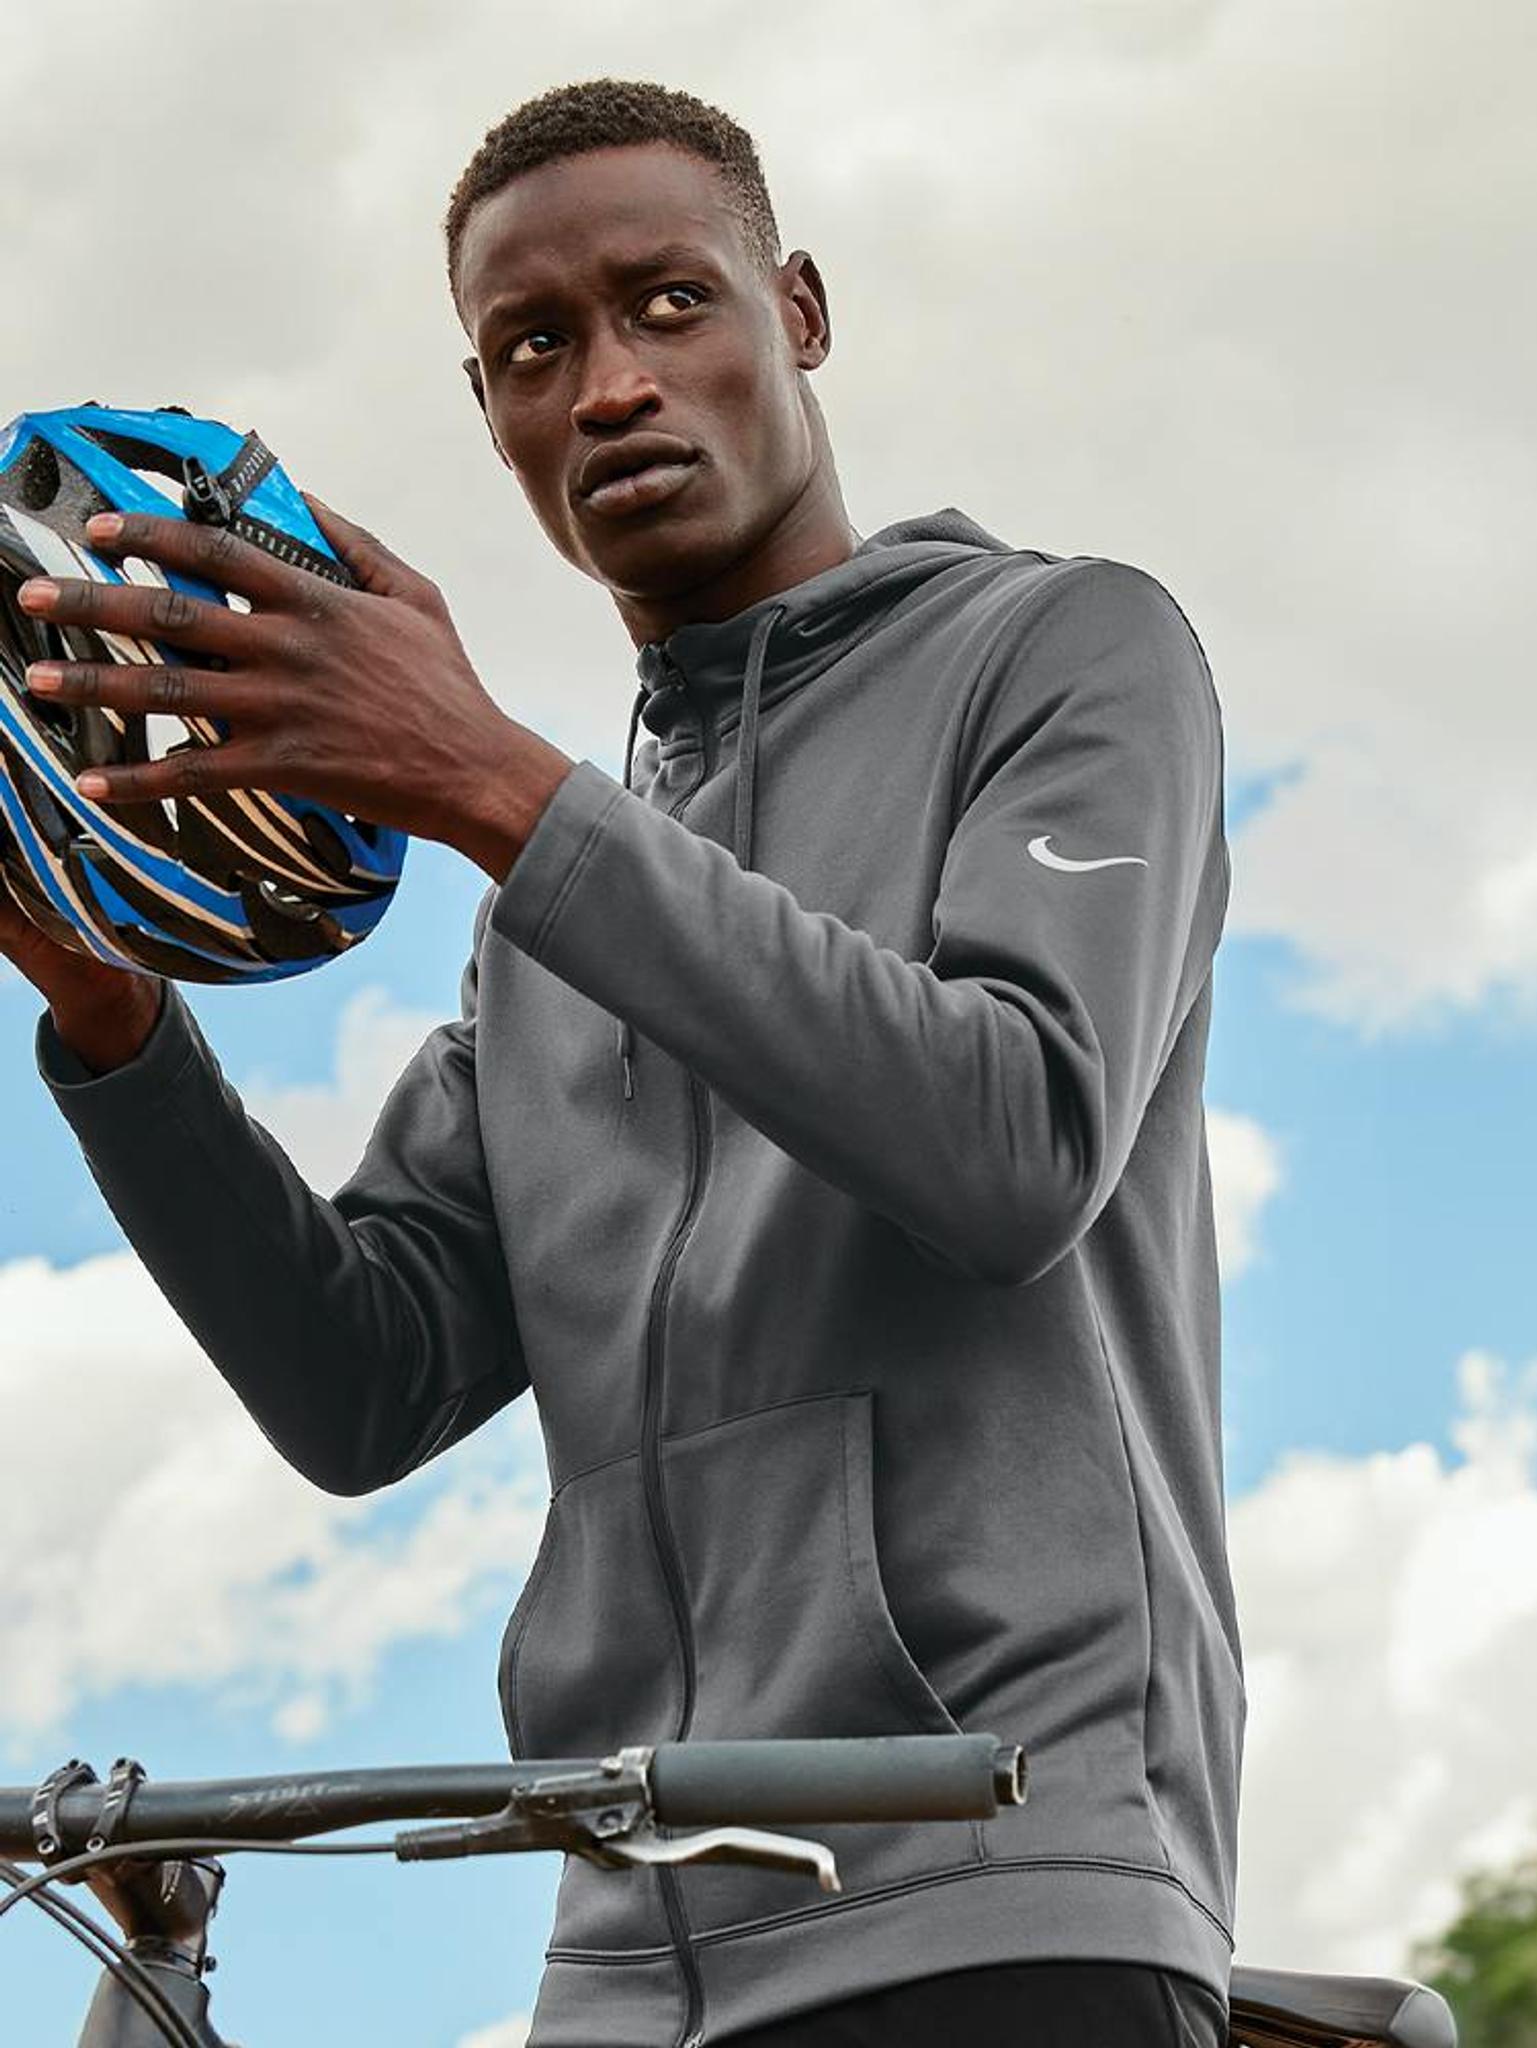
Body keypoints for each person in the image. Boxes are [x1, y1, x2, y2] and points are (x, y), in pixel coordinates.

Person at [7, 78, 1240, 2048]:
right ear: (488, 413)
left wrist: (497, 786)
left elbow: (1015, 1141)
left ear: (798, 313)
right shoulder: (553, 918)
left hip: (996, 1892)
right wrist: (109, 1013)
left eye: (670, 303)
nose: (607, 386)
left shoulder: (1068, 651)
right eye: (531, 348)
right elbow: (360, 1380)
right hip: (620, 1959)